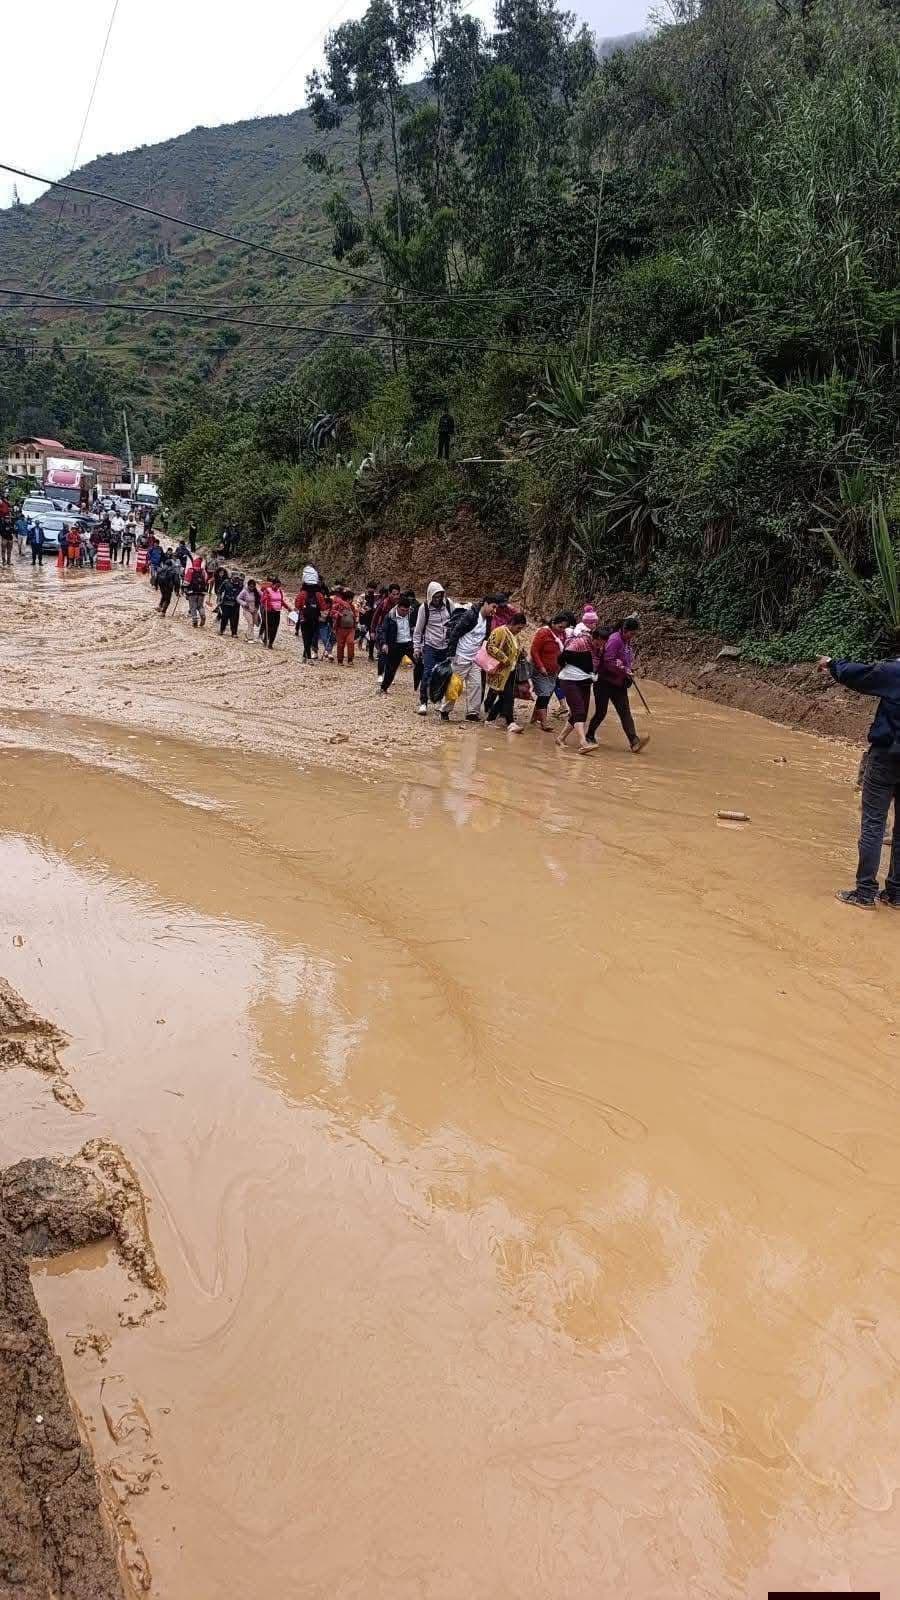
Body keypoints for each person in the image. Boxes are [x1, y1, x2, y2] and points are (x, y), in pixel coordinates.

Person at [818, 653, 900, 908]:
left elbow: (859, 674)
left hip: (887, 756)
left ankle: (865, 893)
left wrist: (832, 664)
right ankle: (896, 894)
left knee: (873, 824)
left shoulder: (895, 672)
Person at [586, 613, 649, 752]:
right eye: (632, 633)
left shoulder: (626, 641)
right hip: (604, 681)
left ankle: (634, 741)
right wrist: (624, 670)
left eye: (634, 634)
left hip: (619, 683)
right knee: (601, 712)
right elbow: (608, 661)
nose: (633, 636)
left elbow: (624, 659)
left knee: (625, 712)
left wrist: (627, 669)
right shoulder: (615, 639)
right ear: (625, 630)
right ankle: (589, 735)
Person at [444, 597, 499, 722]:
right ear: (485, 604)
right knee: (455, 685)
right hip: (461, 656)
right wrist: (452, 654)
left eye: (496, 608)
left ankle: (472, 713)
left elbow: (486, 638)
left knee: (476, 685)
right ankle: (445, 710)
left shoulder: (489, 620)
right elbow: (456, 632)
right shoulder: (471, 615)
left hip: (475, 659)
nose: (494, 610)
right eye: (493, 607)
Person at [557, 619, 600, 754]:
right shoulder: (580, 643)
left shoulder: (600, 649)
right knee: (579, 710)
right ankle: (583, 742)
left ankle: (560, 738)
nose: (601, 645)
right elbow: (562, 657)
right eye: (599, 642)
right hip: (570, 680)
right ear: (595, 638)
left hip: (585, 681)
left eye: (604, 643)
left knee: (581, 713)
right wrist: (569, 668)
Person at [483, 612, 528, 733]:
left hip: (510, 671)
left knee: (506, 697)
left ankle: (490, 719)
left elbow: (514, 650)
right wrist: (504, 659)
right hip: (501, 671)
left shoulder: (514, 635)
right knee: (508, 696)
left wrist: (521, 654)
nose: (519, 631)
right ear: (512, 624)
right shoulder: (500, 631)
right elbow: (490, 646)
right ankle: (510, 723)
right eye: (519, 628)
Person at [413, 581, 453, 715]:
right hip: (430, 645)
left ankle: (439, 700)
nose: (437, 599)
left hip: (446, 646)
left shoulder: (449, 604)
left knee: (445, 674)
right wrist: (416, 648)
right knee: (428, 673)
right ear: (430, 596)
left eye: (440, 596)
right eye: (435, 597)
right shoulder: (424, 609)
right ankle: (423, 702)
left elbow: (456, 621)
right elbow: (418, 630)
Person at [529, 613, 572, 731]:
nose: (562, 630)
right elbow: (534, 651)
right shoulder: (543, 633)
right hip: (540, 669)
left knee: (547, 694)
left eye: (564, 627)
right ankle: (544, 722)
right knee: (544, 694)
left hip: (554, 671)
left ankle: (534, 718)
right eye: (560, 627)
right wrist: (541, 666)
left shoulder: (562, 635)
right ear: (553, 623)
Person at [379, 594, 416, 692]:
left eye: (406, 610)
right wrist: (384, 643)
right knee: (391, 668)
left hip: (409, 644)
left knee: (421, 662)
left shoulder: (411, 615)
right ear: (398, 608)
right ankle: (384, 688)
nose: (404, 612)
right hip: (395, 644)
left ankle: (424, 687)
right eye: (402, 610)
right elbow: (384, 630)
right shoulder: (390, 616)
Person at [295, 567, 325, 661]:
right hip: (315, 619)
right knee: (311, 637)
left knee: (305, 637)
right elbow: (323, 607)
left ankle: (306, 656)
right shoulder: (319, 595)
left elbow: (297, 605)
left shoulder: (302, 593)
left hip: (304, 618)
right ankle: (307, 656)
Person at [372, 584, 401, 679]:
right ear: (389, 593)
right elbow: (375, 617)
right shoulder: (383, 603)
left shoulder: (400, 604)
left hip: (395, 632)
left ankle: (389, 676)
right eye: (393, 594)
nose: (395, 596)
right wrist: (372, 630)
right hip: (383, 630)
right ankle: (380, 674)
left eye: (397, 594)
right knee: (383, 653)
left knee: (393, 655)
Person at [332, 588, 358, 665]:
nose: (350, 601)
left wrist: (355, 624)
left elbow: (355, 615)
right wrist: (337, 614)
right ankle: (340, 660)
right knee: (340, 644)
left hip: (351, 628)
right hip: (340, 628)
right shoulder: (339, 606)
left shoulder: (352, 607)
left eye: (351, 600)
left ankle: (350, 659)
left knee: (350, 642)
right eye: (349, 599)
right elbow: (332, 612)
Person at [259, 577, 285, 649]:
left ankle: (271, 643)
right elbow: (262, 601)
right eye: (276, 585)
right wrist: (266, 598)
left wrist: (288, 607)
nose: (277, 587)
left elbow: (281, 601)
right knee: (269, 627)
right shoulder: (267, 591)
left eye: (279, 586)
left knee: (275, 628)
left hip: (277, 612)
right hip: (269, 612)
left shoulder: (279, 591)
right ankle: (265, 640)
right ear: (273, 584)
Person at [218, 569, 243, 636]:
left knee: (234, 618)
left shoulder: (241, 584)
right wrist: (219, 600)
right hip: (226, 602)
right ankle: (222, 630)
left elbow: (244, 593)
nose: (236, 579)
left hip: (236, 603)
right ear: (231, 577)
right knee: (224, 617)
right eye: (235, 577)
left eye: (237, 578)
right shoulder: (226, 582)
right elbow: (220, 591)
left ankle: (234, 632)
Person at [185, 556, 207, 627]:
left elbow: (187, 582)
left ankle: (195, 621)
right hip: (201, 592)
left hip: (192, 592)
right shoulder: (203, 571)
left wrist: (185, 590)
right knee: (200, 606)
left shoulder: (190, 570)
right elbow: (206, 580)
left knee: (193, 607)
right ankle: (203, 615)